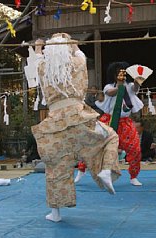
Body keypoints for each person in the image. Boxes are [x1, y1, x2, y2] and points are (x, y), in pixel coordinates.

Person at [30, 33, 121, 223]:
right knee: (110, 137)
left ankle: (55, 214)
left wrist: (39, 46)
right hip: (79, 120)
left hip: (55, 126)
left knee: (55, 169)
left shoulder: (44, 68)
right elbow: (79, 53)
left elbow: (37, 58)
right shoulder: (77, 64)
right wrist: (72, 42)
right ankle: (105, 170)